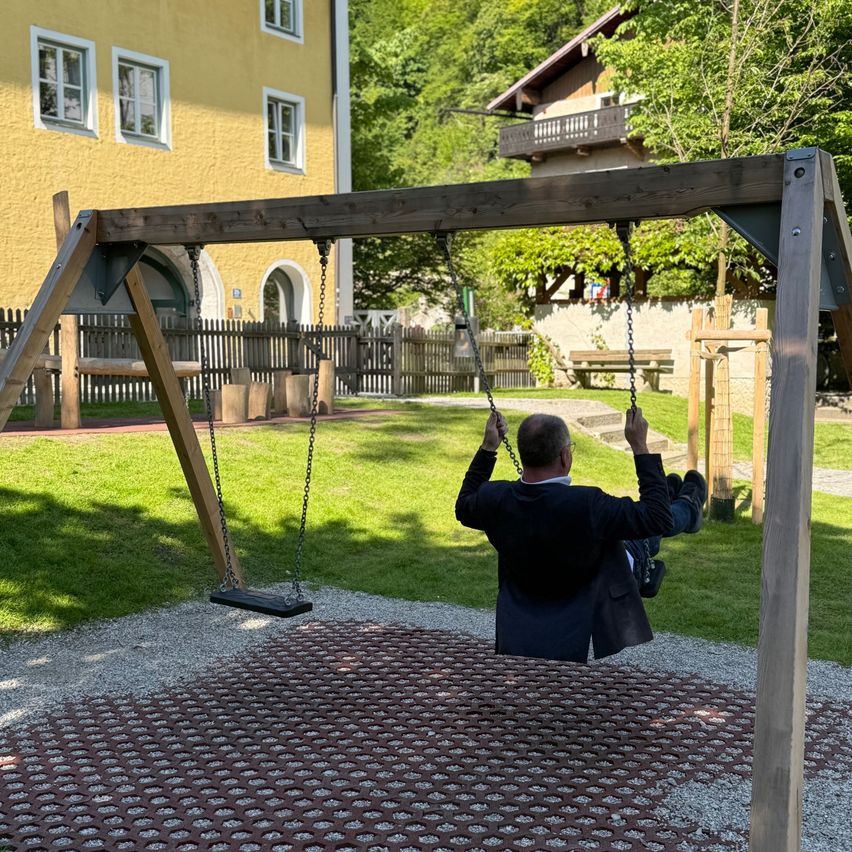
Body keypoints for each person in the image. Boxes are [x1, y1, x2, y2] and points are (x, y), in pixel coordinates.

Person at [455, 409, 706, 663]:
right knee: (651, 531)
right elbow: (656, 518)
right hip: (601, 577)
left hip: (533, 591)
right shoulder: (587, 505)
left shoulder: (496, 499)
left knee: (636, 519)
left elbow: (463, 506)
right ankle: (689, 505)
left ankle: (670, 493)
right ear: (565, 456)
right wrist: (640, 446)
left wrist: (488, 448)